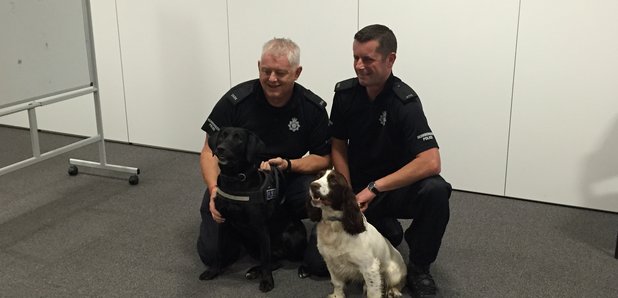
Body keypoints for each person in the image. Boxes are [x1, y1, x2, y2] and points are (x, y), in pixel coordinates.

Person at [329, 24, 452, 296]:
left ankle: (419, 268)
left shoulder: (404, 102)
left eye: (368, 59)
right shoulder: (345, 95)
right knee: (318, 263)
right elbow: (337, 144)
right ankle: (386, 230)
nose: (359, 66)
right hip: (357, 190)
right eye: (355, 57)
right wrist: (347, 191)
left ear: (390, 59)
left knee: (436, 190)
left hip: (391, 189)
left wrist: (376, 187)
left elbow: (431, 162)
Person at [197, 38, 331, 270]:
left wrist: (288, 165)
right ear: (259, 66)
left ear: (297, 72)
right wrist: (213, 191)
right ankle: (245, 230)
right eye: (266, 71)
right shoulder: (236, 101)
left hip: (287, 179)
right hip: (237, 183)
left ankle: (302, 232)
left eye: (280, 73)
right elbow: (209, 150)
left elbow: (324, 158)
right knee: (214, 256)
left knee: (316, 193)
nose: (272, 79)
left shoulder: (311, 107)